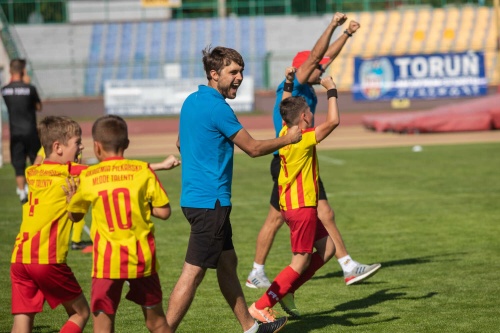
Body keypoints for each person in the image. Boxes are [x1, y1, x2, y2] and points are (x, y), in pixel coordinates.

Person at [165, 45, 302, 333]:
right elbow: (252, 148)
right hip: (209, 202)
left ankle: (250, 328)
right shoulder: (218, 107)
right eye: (233, 72)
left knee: (228, 262)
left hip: (194, 198)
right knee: (193, 273)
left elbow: (180, 142)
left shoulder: (191, 101)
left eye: (241, 71)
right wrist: (288, 139)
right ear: (214, 74)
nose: (239, 77)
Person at [246, 13, 381, 290]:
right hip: (292, 162)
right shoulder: (297, 83)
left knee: (275, 219)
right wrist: (333, 25)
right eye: (317, 66)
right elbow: (317, 57)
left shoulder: (305, 84)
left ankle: (256, 272)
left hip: (289, 161)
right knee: (325, 212)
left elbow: (325, 56)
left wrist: (347, 34)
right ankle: (347, 266)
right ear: (304, 69)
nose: (323, 68)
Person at [67, 115, 177, 333]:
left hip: (107, 263)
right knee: (156, 323)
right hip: (141, 258)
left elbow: (75, 217)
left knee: (103, 325)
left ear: (97, 147)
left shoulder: (89, 176)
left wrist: (71, 202)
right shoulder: (143, 170)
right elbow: (164, 212)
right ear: (126, 144)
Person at [249, 68, 340, 321]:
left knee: (327, 248)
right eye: (310, 112)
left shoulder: (284, 133)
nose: (313, 115)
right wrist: (331, 89)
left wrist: (288, 83)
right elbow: (333, 122)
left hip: (296, 206)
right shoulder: (303, 138)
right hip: (300, 208)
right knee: (299, 261)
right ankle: (260, 305)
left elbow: (283, 106)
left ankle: (287, 292)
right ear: (303, 117)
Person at [10, 116, 90, 333]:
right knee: (80, 313)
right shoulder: (70, 173)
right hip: (46, 258)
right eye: (77, 142)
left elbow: (42, 162)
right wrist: (158, 165)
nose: (81, 146)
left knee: (22, 321)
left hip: (19, 258)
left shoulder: (32, 172)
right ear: (58, 147)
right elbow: (107, 173)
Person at [1, 58, 42, 204]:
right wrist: (26, 83)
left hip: (15, 132)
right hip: (30, 131)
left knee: (18, 164)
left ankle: (22, 194)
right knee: (35, 161)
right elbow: (38, 107)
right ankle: (35, 190)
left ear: (11, 71)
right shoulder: (30, 88)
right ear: (23, 71)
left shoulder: (5, 90)